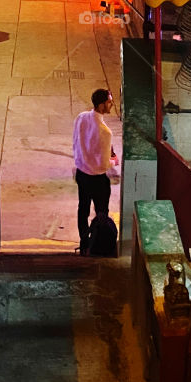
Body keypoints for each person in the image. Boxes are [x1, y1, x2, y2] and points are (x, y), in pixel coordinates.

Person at [72, 88, 118, 256]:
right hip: (98, 179)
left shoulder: (81, 117)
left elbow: (75, 141)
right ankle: (98, 245)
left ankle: (84, 243)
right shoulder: (105, 131)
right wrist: (114, 161)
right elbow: (105, 164)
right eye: (109, 102)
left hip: (82, 173)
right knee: (101, 213)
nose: (111, 105)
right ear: (101, 105)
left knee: (83, 209)